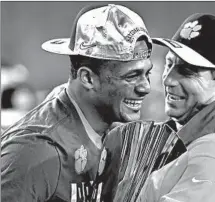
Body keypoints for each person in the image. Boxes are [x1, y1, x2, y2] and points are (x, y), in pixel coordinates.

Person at [1, 4, 153, 202]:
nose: (145, 87)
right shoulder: (34, 153)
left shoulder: (109, 130)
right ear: (88, 79)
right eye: (132, 76)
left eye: (147, 73)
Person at [135, 13, 215, 202]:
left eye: (187, 70)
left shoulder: (213, 159)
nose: (168, 80)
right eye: (169, 64)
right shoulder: (187, 141)